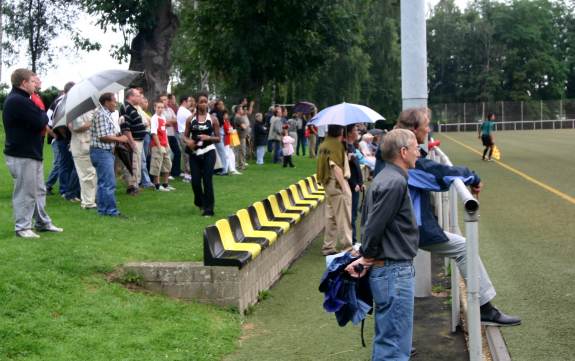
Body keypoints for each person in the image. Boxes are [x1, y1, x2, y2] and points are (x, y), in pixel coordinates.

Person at [395, 107, 521, 327]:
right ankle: (485, 309)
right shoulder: (403, 156)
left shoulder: (395, 147)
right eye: (427, 125)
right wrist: (473, 176)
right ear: (414, 129)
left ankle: (484, 308)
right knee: (463, 248)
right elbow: (439, 175)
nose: (429, 129)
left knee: (395, 284)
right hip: (406, 229)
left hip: (402, 227)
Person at [345, 129, 421, 361]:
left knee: (390, 340)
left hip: (390, 271)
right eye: (416, 147)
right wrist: (366, 256)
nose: (420, 151)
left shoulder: (385, 177)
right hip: (393, 272)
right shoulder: (394, 182)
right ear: (403, 151)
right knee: (394, 346)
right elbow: (374, 226)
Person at [3, 68, 64, 238]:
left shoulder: (25, 99)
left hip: (31, 152)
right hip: (22, 153)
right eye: (32, 81)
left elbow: (41, 117)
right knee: (26, 191)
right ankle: (22, 227)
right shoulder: (17, 100)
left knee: (38, 190)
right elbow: (41, 120)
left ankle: (42, 222)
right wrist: (42, 115)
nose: (35, 84)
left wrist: (42, 115)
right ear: (23, 83)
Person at [90, 92, 130, 217]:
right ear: (107, 102)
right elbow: (103, 137)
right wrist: (121, 139)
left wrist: (117, 135)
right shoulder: (102, 114)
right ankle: (111, 211)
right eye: (114, 101)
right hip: (102, 152)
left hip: (102, 152)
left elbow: (106, 133)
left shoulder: (105, 114)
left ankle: (103, 210)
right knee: (108, 183)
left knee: (103, 183)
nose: (116, 103)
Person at [316, 124, 352, 255]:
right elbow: (335, 167)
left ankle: (328, 247)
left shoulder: (324, 144)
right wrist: (344, 187)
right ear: (340, 131)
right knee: (343, 217)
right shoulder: (336, 146)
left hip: (327, 185)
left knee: (331, 217)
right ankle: (347, 247)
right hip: (337, 185)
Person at [183, 93, 221, 217]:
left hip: (209, 151)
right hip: (195, 153)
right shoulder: (190, 119)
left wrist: (208, 137)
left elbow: (218, 138)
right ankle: (200, 201)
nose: (203, 104)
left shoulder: (213, 119)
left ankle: (209, 209)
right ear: (197, 104)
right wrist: (189, 142)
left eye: (205, 101)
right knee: (195, 181)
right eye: (201, 102)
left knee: (207, 180)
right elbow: (184, 136)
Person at [119, 88, 147, 195]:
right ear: (131, 96)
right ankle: (132, 188)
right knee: (133, 165)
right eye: (138, 95)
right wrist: (131, 143)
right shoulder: (126, 108)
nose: (140, 97)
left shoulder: (132, 108)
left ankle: (135, 186)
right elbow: (126, 128)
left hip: (138, 140)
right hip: (133, 141)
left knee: (137, 165)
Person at [69, 110, 97, 209]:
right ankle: (88, 203)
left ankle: (92, 199)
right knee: (87, 175)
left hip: (90, 145)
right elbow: (76, 127)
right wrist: (93, 121)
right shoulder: (74, 110)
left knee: (92, 174)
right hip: (81, 146)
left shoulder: (92, 110)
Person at [345, 124, 364, 245]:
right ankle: (351, 241)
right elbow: (346, 170)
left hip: (356, 186)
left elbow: (357, 168)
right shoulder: (345, 148)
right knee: (351, 215)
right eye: (356, 130)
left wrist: (361, 182)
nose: (358, 132)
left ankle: (353, 240)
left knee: (354, 214)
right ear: (349, 133)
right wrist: (353, 184)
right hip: (351, 186)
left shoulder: (352, 147)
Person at [149, 101, 174, 191]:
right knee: (157, 165)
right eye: (158, 107)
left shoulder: (163, 117)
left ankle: (165, 184)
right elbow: (154, 133)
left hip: (165, 144)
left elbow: (164, 132)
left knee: (167, 164)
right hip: (157, 145)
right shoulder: (154, 118)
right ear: (155, 108)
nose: (160, 109)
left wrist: (167, 144)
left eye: (162, 107)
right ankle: (157, 185)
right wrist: (159, 147)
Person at [177, 95, 194, 181]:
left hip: (183, 133)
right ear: (184, 101)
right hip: (185, 134)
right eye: (189, 101)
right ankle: (187, 175)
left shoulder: (182, 110)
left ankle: (188, 173)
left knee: (187, 154)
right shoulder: (184, 111)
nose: (190, 103)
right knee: (188, 154)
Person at [222, 109, 241, 175]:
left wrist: (232, 130)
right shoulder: (223, 122)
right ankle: (226, 170)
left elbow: (230, 129)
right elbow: (227, 131)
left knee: (231, 155)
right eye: (226, 114)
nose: (227, 115)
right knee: (227, 155)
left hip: (229, 140)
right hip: (225, 140)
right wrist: (232, 130)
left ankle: (232, 169)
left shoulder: (227, 121)